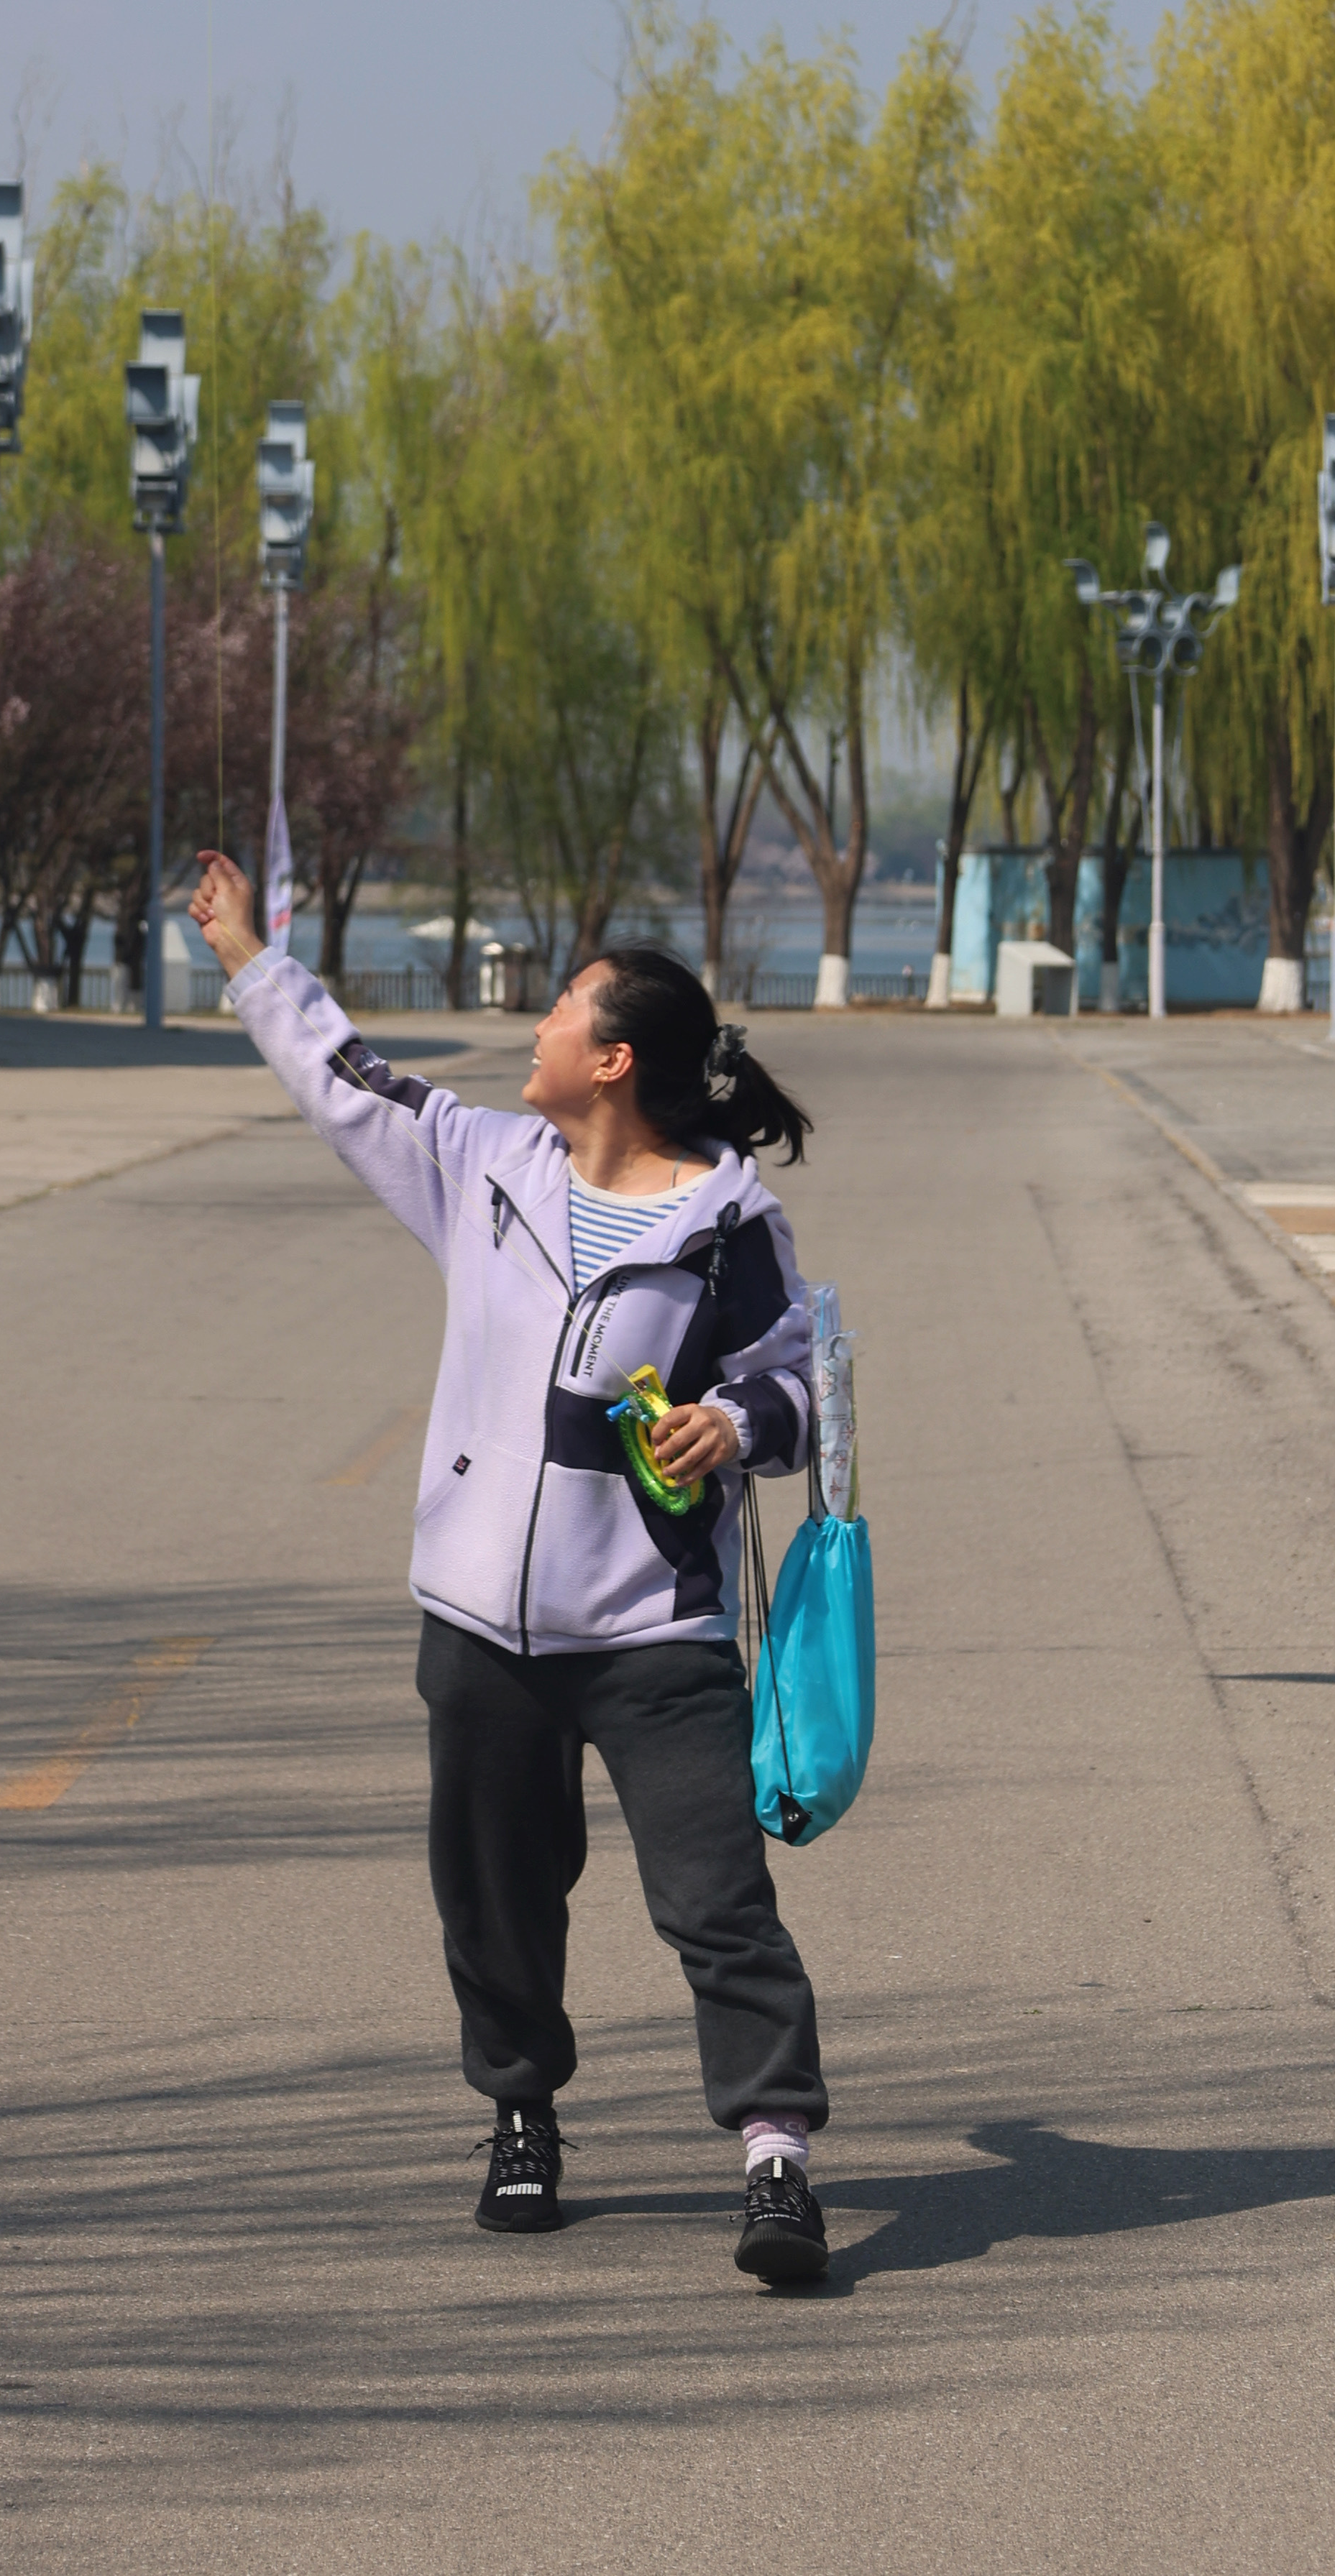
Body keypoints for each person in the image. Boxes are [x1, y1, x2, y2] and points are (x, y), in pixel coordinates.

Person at [187, 849, 835, 2290]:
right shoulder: (480, 1165)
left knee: (716, 1902)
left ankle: (776, 2155)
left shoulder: (728, 1227)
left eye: (558, 1011)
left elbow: (801, 1387)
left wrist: (732, 1424)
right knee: (494, 1899)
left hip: (654, 1629)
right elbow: (343, 1076)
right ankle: (522, 2115)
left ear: (612, 1062)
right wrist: (245, 956)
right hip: (481, 1626)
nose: (533, 1028)